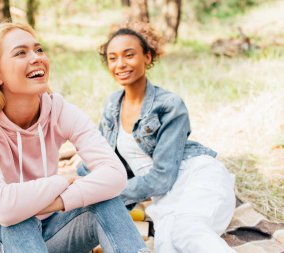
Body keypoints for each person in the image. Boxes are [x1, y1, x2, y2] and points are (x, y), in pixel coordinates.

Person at [0, 22, 146, 253]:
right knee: (17, 219)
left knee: (106, 199)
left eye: (39, 49)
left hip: (48, 230)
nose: (36, 57)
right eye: (21, 53)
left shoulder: (58, 110)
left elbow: (115, 176)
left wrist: (54, 202)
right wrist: (62, 181)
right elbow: (2, 209)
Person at [78, 22, 236, 253]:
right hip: (163, 199)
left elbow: (162, 177)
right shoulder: (112, 105)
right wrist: (75, 184)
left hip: (194, 177)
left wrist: (100, 191)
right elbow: (99, 159)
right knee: (167, 246)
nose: (120, 64)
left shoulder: (170, 105)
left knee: (187, 231)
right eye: (112, 58)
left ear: (148, 58)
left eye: (129, 55)